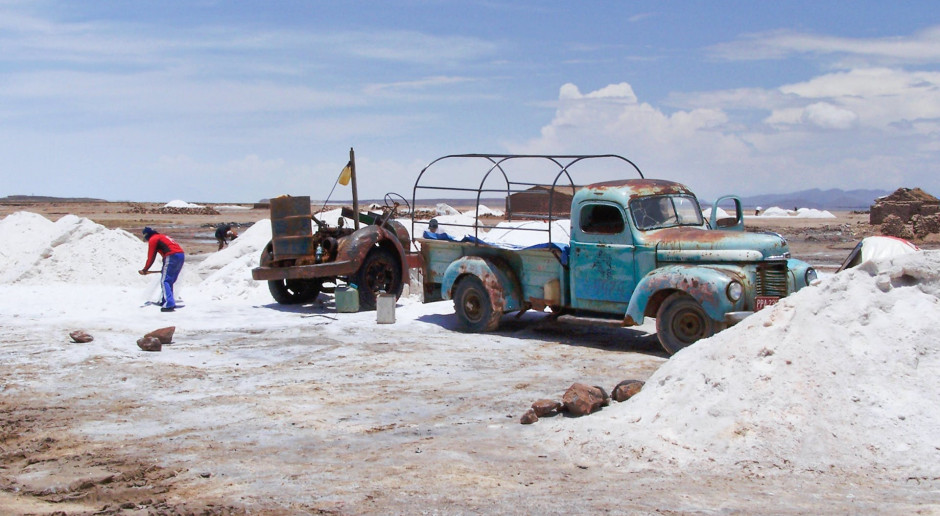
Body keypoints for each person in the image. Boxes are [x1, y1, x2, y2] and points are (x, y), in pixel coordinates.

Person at [139, 227, 185, 312]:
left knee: (165, 281)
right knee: (169, 280)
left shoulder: (153, 239)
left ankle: (169, 304)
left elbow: (151, 257)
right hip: (181, 255)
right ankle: (165, 301)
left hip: (171, 256)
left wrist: (145, 269)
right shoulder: (161, 236)